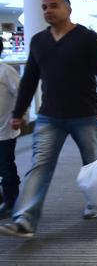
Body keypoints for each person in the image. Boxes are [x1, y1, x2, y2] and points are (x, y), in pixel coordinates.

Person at [0, 0, 97, 238]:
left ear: (68, 9)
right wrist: (19, 112)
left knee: (91, 164)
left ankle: (94, 203)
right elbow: (30, 78)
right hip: (49, 116)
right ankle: (25, 221)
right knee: (39, 165)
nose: (48, 11)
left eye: (53, 6)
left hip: (85, 114)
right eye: (44, 7)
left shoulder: (87, 38)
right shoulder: (39, 41)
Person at [0, 40, 21, 219]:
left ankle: (11, 199)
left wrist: (19, 116)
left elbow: (20, 94)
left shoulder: (6, 71)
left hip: (5, 130)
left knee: (5, 166)